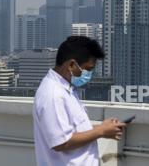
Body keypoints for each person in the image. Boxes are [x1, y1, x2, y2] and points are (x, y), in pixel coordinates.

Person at [33, 36, 126, 166]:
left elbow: (71, 130)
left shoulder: (66, 89)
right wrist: (100, 131)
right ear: (71, 65)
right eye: (87, 69)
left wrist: (104, 128)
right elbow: (61, 142)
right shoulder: (54, 94)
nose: (88, 74)